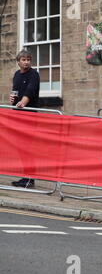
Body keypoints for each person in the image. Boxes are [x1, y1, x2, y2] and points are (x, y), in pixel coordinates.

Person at [9, 49, 40, 188]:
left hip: (29, 115)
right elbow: (15, 91)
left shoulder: (34, 74)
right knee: (21, 148)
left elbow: (30, 90)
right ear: (18, 61)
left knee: (28, 148)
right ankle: (25, 177)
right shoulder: (16, 74)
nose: (26, 62)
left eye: (28, 59)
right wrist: (12, 99)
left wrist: (23, 103)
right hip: (17, 116)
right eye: (24, 59)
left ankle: (30, 179)